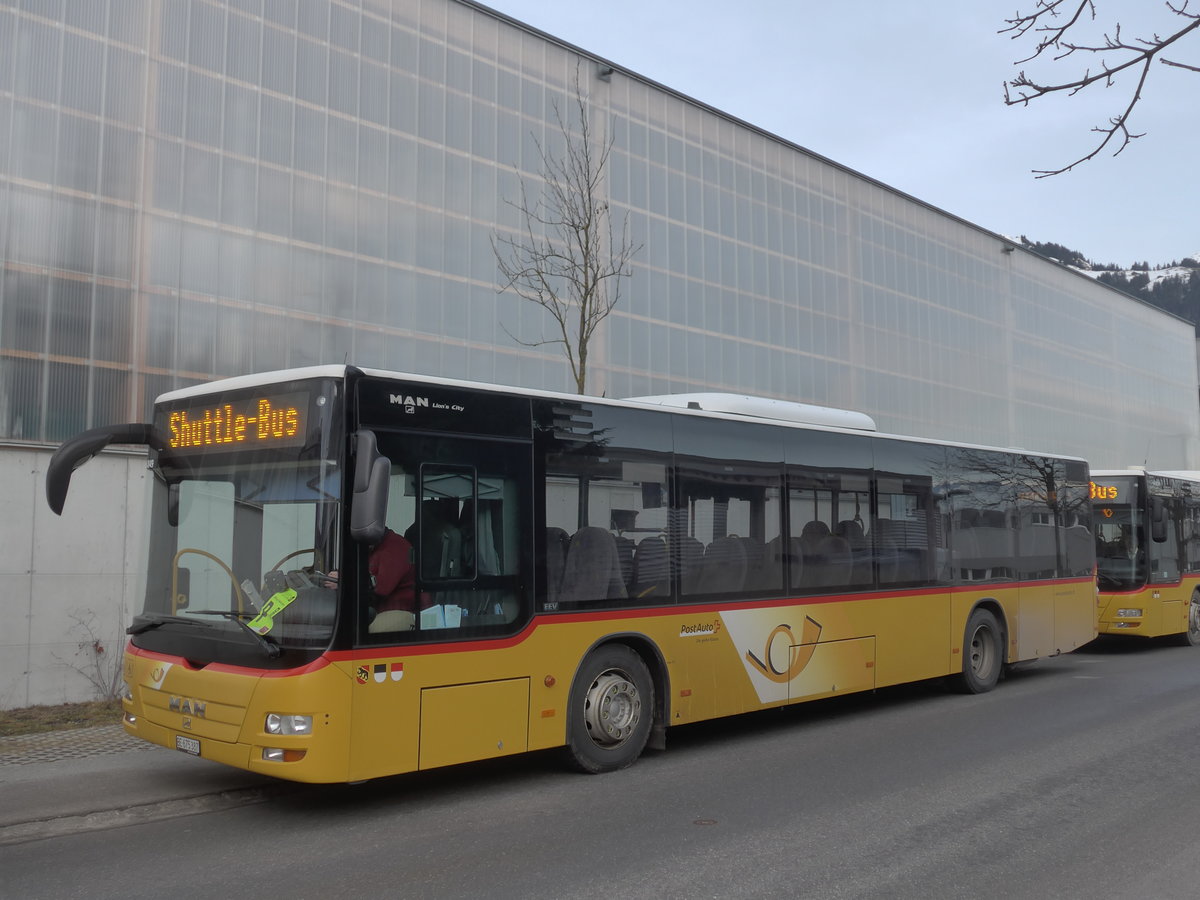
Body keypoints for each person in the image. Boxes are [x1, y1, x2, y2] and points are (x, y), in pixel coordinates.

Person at [367, 527, 430, 632]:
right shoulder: (373, 547)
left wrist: (346, 582)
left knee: (376, 630)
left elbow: (381, 588)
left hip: (406, 611)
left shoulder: (395, 547)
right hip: (381, 609)